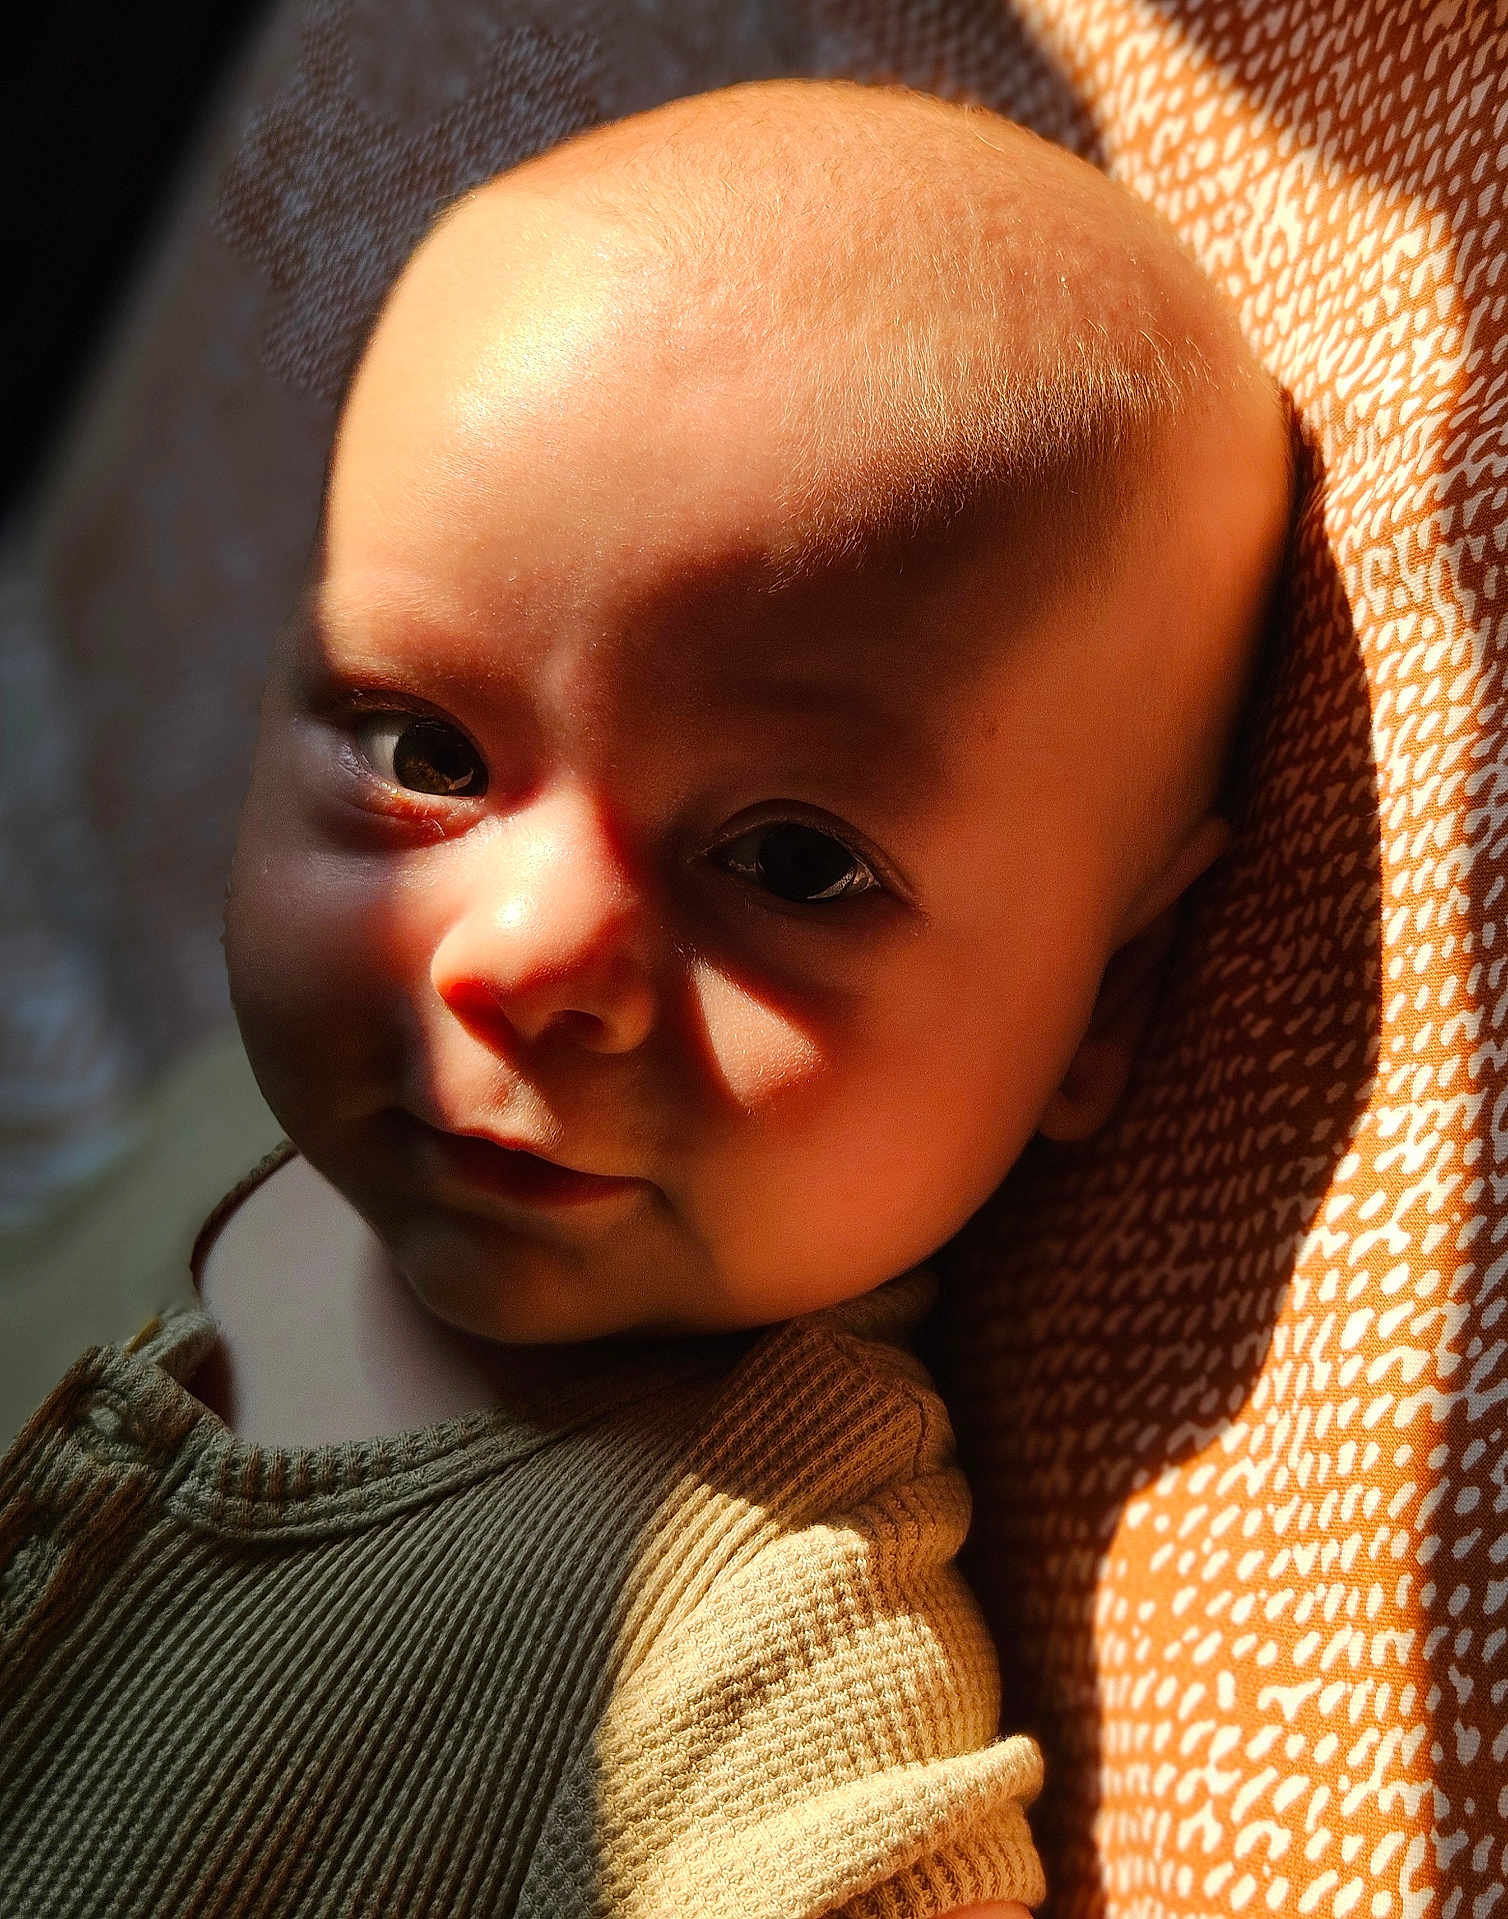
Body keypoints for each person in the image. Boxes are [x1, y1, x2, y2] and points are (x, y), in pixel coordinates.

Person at [0, 78, 1293, 1917]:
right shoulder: (254, 1108)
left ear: (1112, 994)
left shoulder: (758, 1635)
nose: (515, 956)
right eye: (423, 746)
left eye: (792, 863)